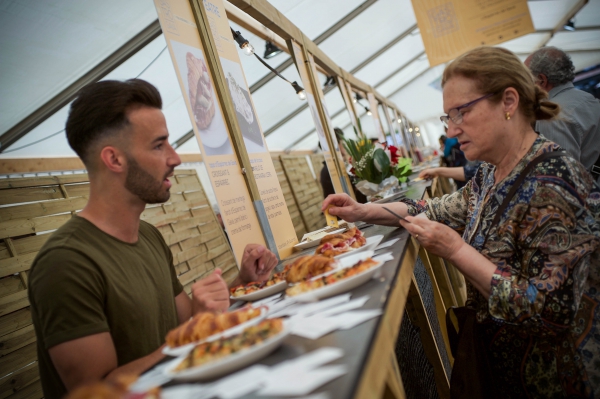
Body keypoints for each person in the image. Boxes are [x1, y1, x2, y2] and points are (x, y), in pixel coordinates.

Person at [323, 47, 599, 398]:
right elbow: (433, 210)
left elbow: (551, 312)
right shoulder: (491, 172)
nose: (452, 131)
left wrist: (455, 250)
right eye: (447, 118)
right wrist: (363, 212)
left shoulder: (555, 181)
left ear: (509, 102)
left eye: (461, 113)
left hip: (553, 381)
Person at [28, 79, 278, 398]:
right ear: (114, 160)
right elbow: (96, 391)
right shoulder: (65, 263)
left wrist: (242, 279)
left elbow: (186, 321)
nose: (175, 159)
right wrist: (192, 336)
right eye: (159, 146)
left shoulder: (148, 236)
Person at [525, 46, 600, 171]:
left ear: (542, 80)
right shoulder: (590, 100)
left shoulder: (550, 117)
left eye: (525, 78)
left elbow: (561, 177)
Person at [319, 127, 367, 203]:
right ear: (336, 146)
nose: (345, 147)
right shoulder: (331, 170)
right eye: (343, 143)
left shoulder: (333, 167)